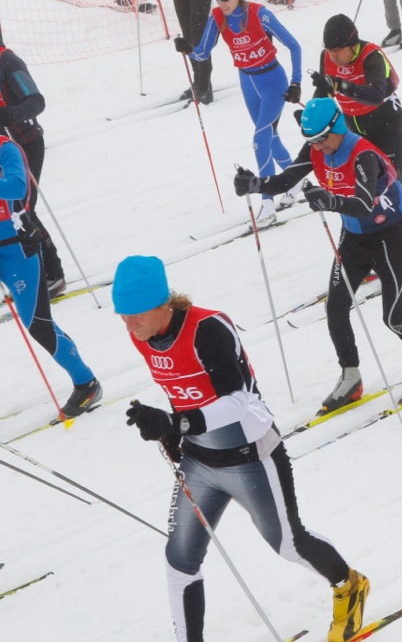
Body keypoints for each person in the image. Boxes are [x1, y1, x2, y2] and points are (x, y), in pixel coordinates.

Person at [112, 255, 369, 642]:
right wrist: (169, 431)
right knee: (180, 561)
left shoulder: (207, 328)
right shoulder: (143, 335)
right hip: (200, 461)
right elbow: (186, 392)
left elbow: (239, 401)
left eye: (135, 315)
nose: (128, 325)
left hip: (252, 457)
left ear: (163, 303)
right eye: (122, 315)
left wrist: (177, 422)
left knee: (288, 544)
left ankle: (349, 585)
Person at [233, 98, 402, 416]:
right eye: (311, 141)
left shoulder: (362, 155)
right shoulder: (317, 149)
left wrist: (329, 200)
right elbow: (287, 179)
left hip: (389, 237)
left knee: (393, 316)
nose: (318, 146)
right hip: (354, 239)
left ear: (337, 127)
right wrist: (256, 184)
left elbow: (365, 203)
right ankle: (351, 375)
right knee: (336, 307)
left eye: (322, 139)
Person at [181, 0, 303, 224]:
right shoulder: (217, 17)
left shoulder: (259, 13)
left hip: (272, 81)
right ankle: (296, 180)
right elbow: (203, 53)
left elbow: (294, 45)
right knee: (272, 137)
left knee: (260, 140)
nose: (222, 4)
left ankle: (267, 202)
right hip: (247, 82)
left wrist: (296, 82)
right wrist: (188, 49)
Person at [0, 131, 99, 417]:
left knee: (39, 325)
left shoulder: (7, 150)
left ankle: (86, 382)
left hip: (17, 251)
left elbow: (18, 187)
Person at [0, 32, 66, 296]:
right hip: (3, 147)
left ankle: (53, 274)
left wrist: (11, 114)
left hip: (25, 144)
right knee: (8, 212)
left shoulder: (8, 62)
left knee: (24, 209)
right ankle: (24, 274)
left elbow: (36, 101)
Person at [311, 14, 402, 176]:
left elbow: (375, 95)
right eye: (329, 50)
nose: (333, 56)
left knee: (389, 186)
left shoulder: (371, 56)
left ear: (353, 46)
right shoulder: (326, 57)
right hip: (354, 129)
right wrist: (311, 113)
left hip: (386, 126)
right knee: (362, 188)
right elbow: (325, 93)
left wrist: (339, 84)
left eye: (338, 50)